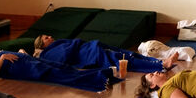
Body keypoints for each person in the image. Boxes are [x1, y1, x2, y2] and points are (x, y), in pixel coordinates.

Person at [0, 48, 115, 92]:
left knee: (61, 67)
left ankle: (100, 74)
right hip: (17, 66)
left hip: (23, 59)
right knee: (55, 73)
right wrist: (2, 58)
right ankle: (99, 78)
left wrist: (20, 52)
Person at [32, 35, 169, 73]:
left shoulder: (58, 43)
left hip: (90, 47)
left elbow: (71, 44)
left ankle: (156, 61)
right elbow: (64, 57)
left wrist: (76, 43)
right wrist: (76, 43)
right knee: (120, 59)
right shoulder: (47, 55)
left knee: (125, 53)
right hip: (88, 55)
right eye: (45, 38)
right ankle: (159, 65)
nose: (49, 37)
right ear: (42, 45)